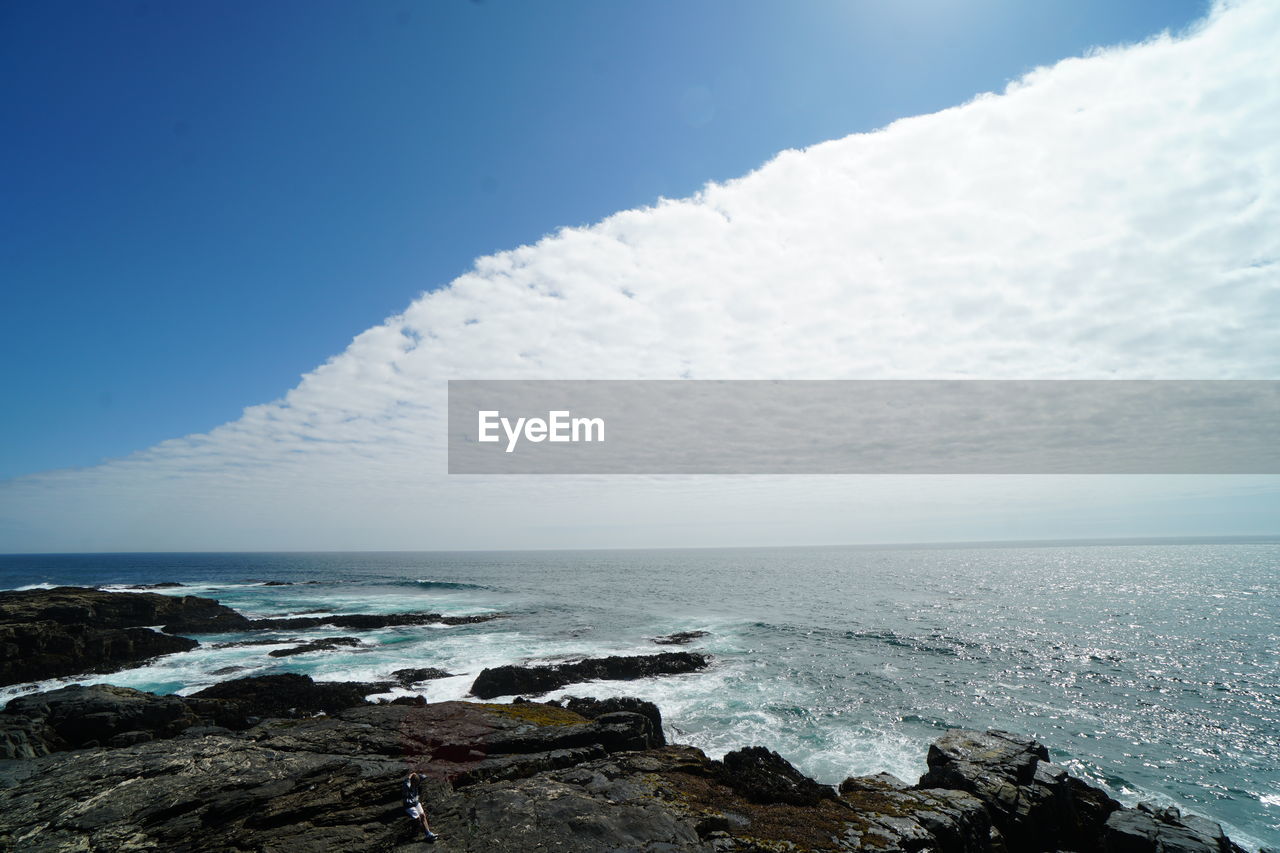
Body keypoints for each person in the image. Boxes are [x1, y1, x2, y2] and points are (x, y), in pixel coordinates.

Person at [402, 771, 438, 843]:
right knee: (417, 818)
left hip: (416, 802)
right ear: (412, 781)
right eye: (415, 783)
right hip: (408, 805)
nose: (417, 784)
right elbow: (408, 779)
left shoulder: (417, 780)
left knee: (423, 815)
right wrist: (410, 775)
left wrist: (415, 774)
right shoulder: (407, 785)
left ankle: (428, 833)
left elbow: (424, 776)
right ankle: (415, 833)